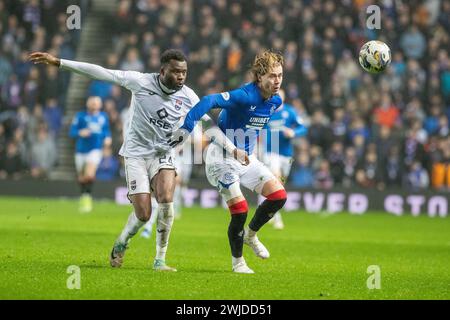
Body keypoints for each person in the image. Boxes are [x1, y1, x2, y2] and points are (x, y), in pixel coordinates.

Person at [29, 49, 238, 271]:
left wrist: (232, 149)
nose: (181, 77)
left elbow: (207, 125)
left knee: (167, 199)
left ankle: (160, 259)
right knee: (144, 214)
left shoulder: (188, 96)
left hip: (163, 154)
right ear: (162, 70)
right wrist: (60, 62)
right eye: (176, 71)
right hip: (136, 154)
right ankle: (122, 242)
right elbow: (101, 73)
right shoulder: (140, 82)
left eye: (184, 72)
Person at [169, 50, 288, 274]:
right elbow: (208, 100)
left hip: (246, 158)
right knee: (240, 209)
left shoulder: (275, 101)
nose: (277, 80)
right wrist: (186, 128)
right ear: (260, 76)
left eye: (280, 75)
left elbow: (250, 128)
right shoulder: (245, 95)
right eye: (272, 75)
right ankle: (238, 263)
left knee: (279, 196)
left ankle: (251, 236)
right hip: (220, 159)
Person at [261, 88, 307, 229]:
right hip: (271, 151)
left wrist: (293, 132)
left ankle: (269, 209)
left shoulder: (290, 112)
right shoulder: (266, 111)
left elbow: (303, 128)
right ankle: (277, 217)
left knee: (280, 185)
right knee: (276, 179)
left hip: (286, 153)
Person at [69, 96, 112, 213]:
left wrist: (108, 138)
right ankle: (84, 196)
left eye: (96, 103)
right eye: (92, 103)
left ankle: (87, 198)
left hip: (95, 149)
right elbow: (72, 132)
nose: (94, 105)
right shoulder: (80, 116)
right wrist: (80, 132)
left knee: (89, 174)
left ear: (100, 105)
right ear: (88, 104)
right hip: (81, 149)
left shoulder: (103, 117)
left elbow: (106, 130)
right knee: (82, 178)